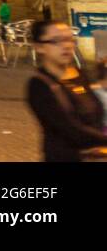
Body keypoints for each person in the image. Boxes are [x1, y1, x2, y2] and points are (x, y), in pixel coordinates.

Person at [26, 20, 107, 161]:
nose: (66, 46)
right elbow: (70, 129)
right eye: (56, 41)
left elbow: (96, 114)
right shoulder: (39, 85)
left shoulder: (78, 74)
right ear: (39, 47)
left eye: (69, 39)